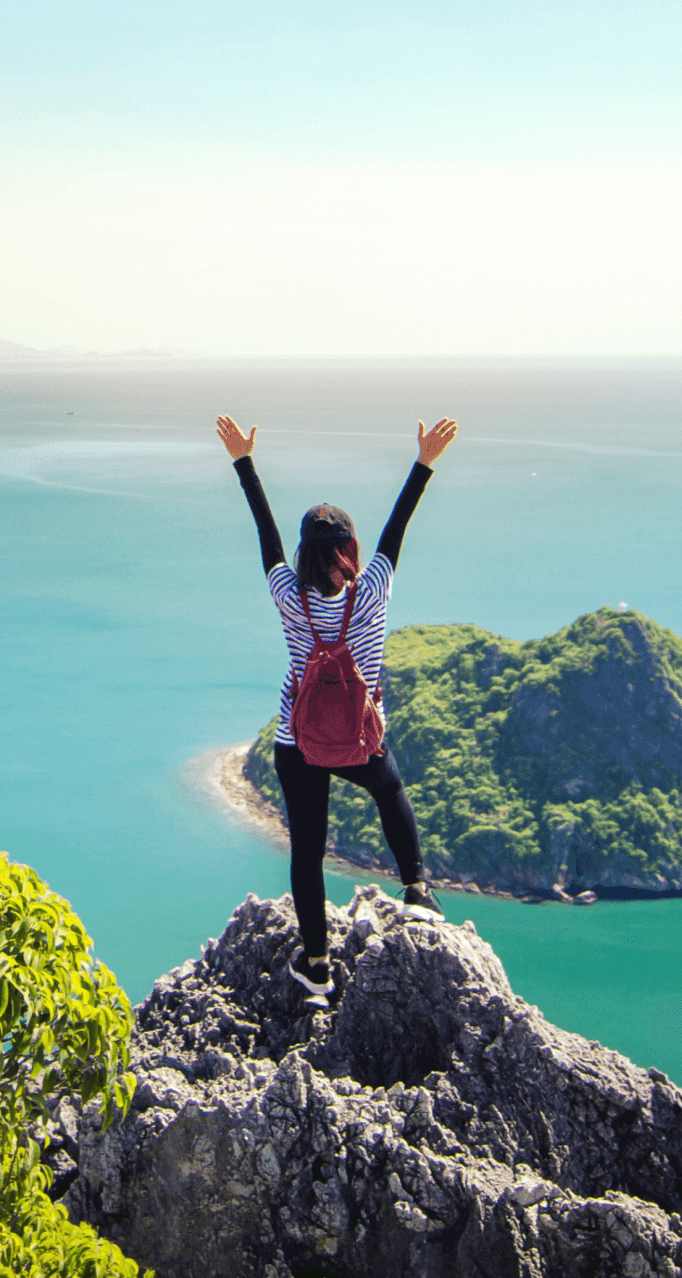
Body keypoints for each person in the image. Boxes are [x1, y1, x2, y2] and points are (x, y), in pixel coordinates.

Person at [214, 410, 459, 1005]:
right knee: (389, 788)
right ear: (349, 548)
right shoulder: (372, 589)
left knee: (307, 850)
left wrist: (244, 462)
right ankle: (417, 892)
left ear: (304, 552)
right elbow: (396, 532)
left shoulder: (287, 596)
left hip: (297, 745)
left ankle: (318, 967)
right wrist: (423, 462)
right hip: (358, 739)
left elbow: (266, 537)